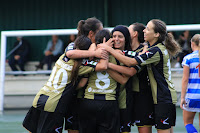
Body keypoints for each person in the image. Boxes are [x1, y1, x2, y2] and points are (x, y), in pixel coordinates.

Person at [99, 19, 181, 133]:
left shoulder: (155, 51)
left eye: (147, 28)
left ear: (157, 34)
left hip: (163, 97)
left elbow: (131, 63)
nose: (144, 30)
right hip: (162, 97)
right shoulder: (153, 49)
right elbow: (134, 55)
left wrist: (108, 51)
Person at [22, 35, 108, 133]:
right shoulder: (82, 66)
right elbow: (101, 68)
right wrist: (103, 49)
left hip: (40, 97)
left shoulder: (63, 56)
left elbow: (72, 52)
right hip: (54, 104)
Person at [180, 34, 200, 133]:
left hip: (192, 95)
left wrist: (182, 97)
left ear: (192, 43)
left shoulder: (188, 58)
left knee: (188, 122)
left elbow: (185, 79)